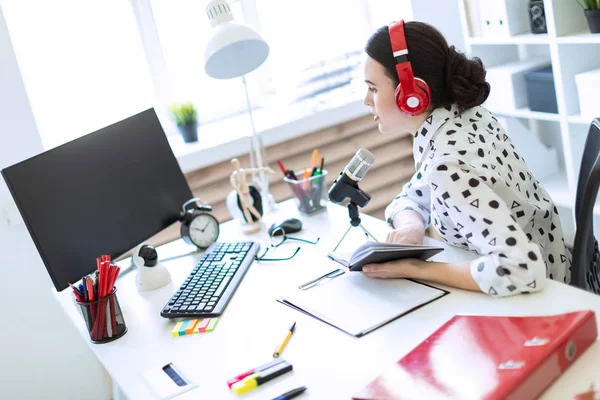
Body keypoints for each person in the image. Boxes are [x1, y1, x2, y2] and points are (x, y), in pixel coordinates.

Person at [360, 20, 570, 297]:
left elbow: (521, 270)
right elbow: (407, 198)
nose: (366, 100)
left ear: (410, 94)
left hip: (543, 298)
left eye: (373, 88)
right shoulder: (463, 117)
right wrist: (412, 226)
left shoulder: (446, 164)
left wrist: (417, 269)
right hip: (559, 265)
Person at [229, 158, 274, 234]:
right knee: (246, 208)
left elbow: (253, 170)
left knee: (248, 207)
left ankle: (257, 219)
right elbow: (233, 184)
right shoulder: (235, 175)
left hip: (244, 190)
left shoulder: (241, 172)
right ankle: (252, 222)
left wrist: (264, 169)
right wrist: (238, 190)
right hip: (242, 191)